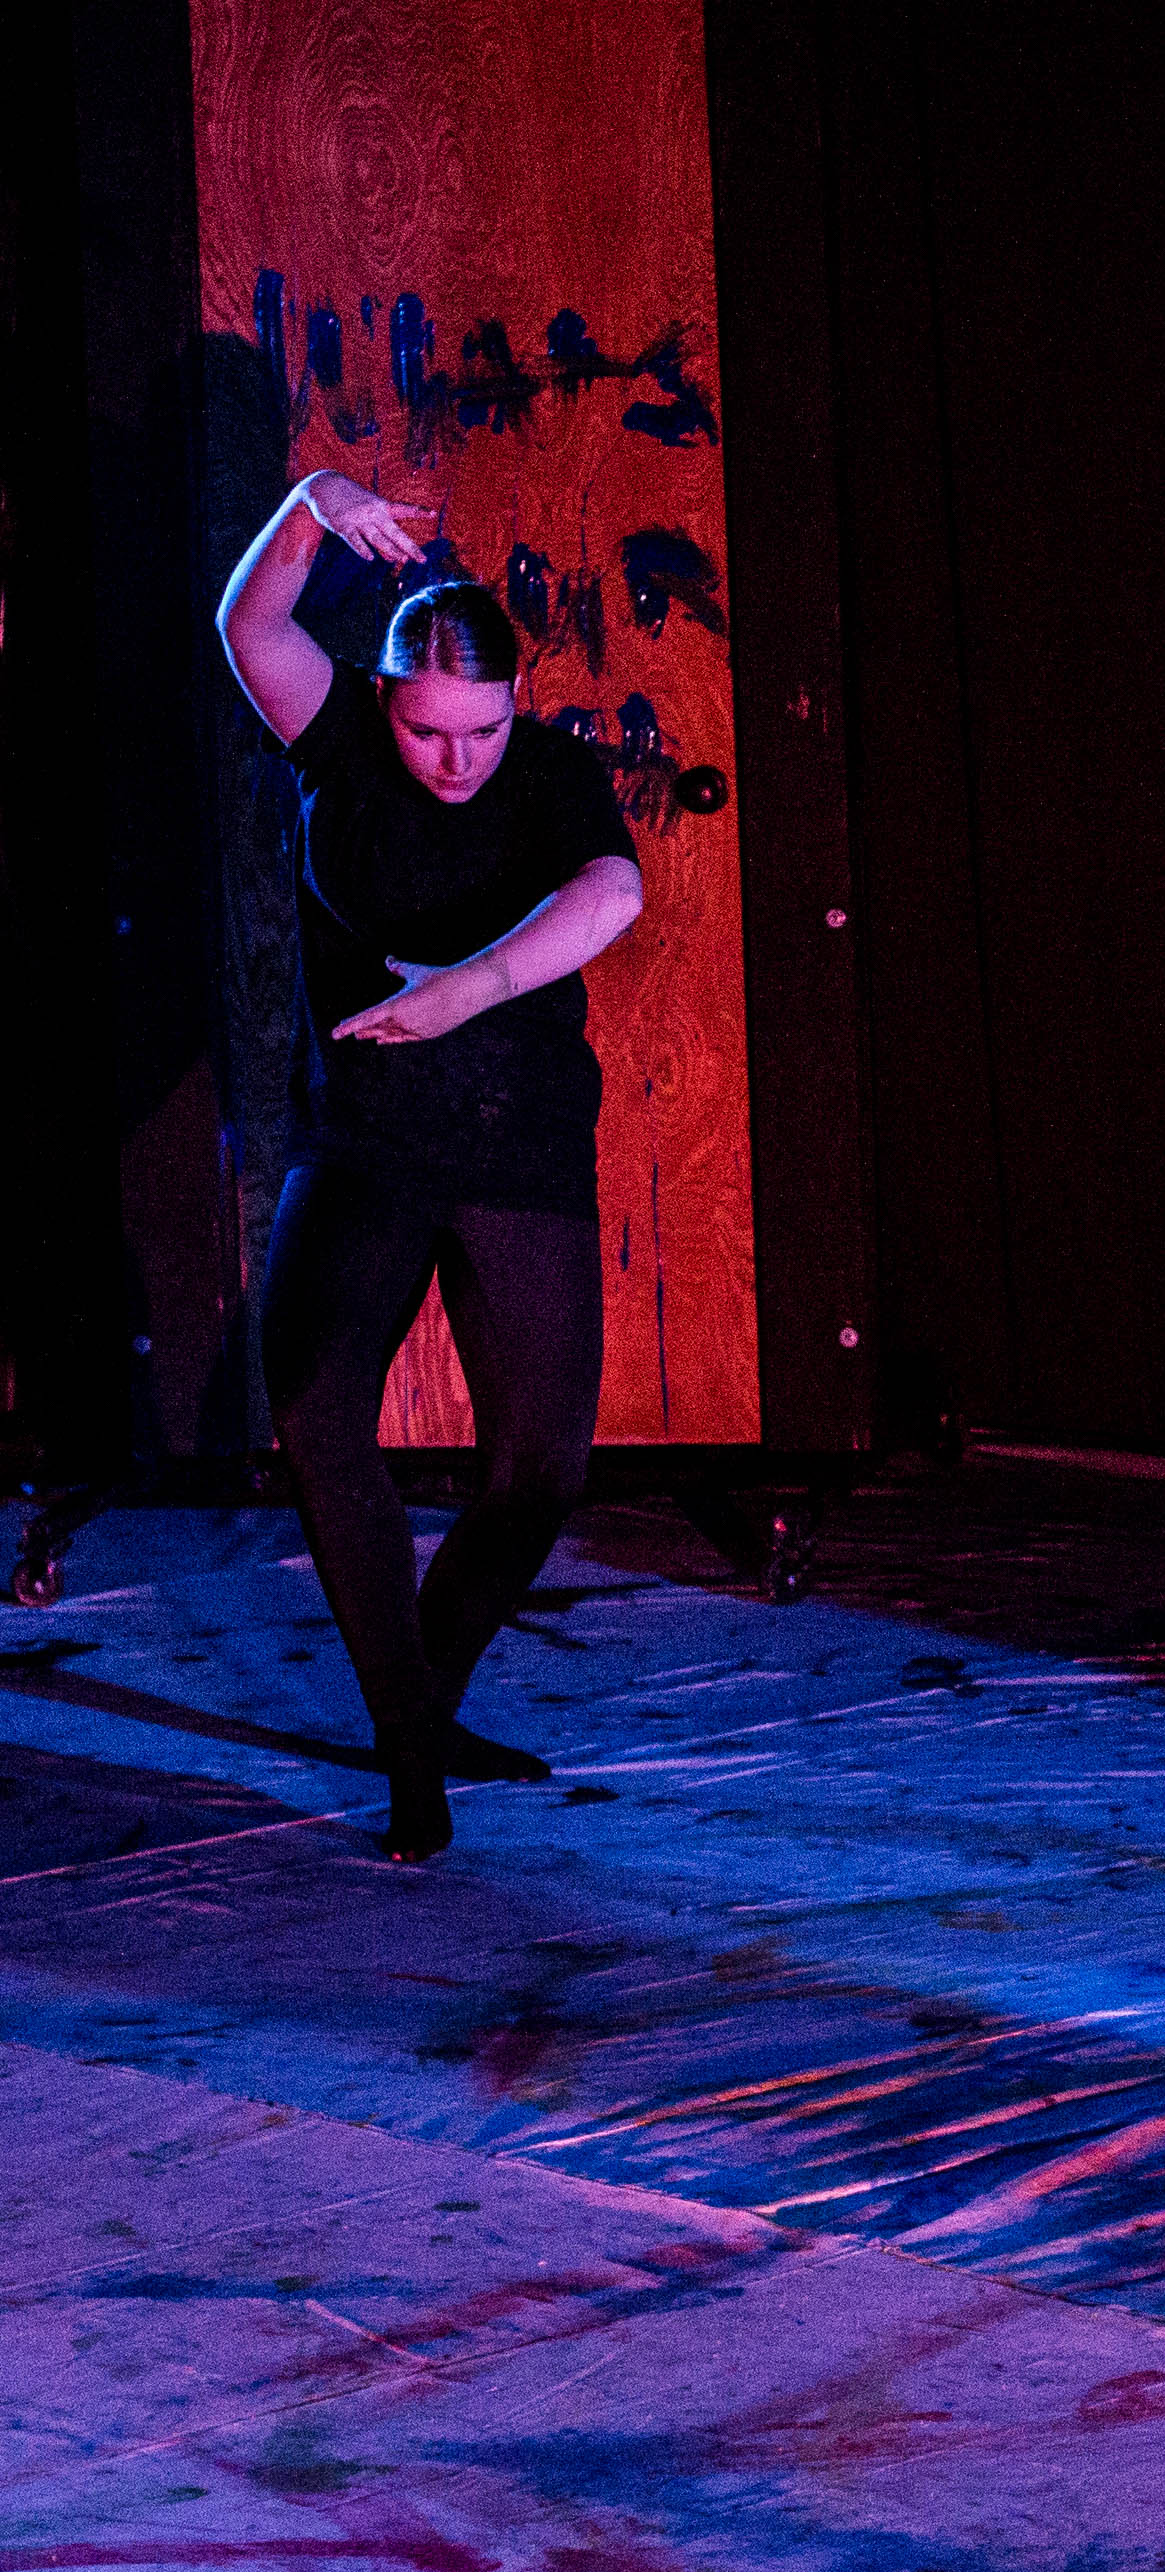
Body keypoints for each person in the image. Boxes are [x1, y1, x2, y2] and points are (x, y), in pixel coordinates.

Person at [215, 470, 647, 1862]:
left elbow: (613, 890)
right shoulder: (335, 734)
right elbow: (249, 624)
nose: (457, 760)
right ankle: (412, 1756)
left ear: (518, 705)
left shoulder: (555, 772)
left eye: (483, 729)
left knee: (540, 1469)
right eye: (427, 729)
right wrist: (311, 501)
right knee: (316, 1413)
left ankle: (425, 1705)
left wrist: (467, 987)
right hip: (366, 1131)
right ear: (386, 698)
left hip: (516, 1131)